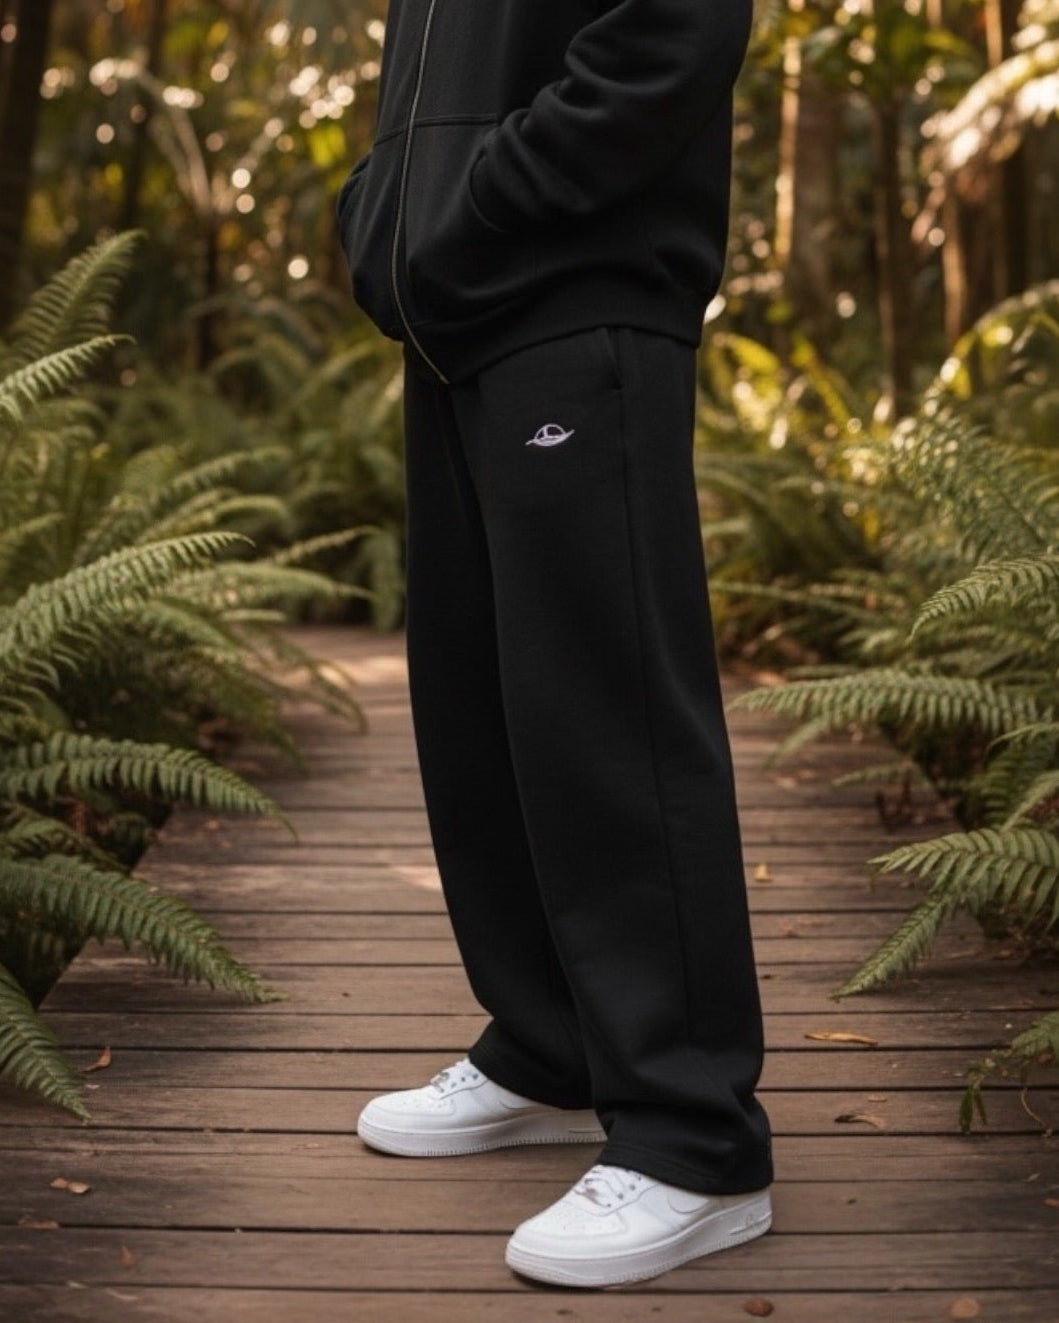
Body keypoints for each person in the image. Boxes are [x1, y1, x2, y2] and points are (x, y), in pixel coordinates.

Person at [335, 0, 774, 1289]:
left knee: (609, 717)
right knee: (479, 710)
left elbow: (676, 32)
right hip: (457, 318)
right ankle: (549, 1047)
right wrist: (384, 215)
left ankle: (696, 1139)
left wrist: (475, 206)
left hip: (577, 288)